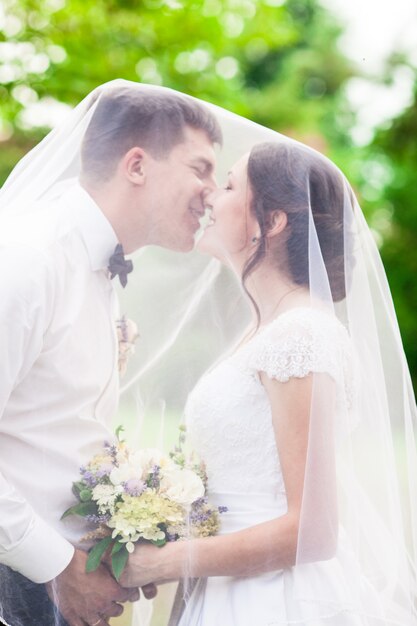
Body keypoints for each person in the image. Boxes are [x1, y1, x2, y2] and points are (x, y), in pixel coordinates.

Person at [117, 139, 417, 626]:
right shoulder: (268, 330)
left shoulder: (303, 334)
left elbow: (312, 531)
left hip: (275, 602)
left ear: (271, 221)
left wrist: (162, 562)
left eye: (230, 185)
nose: (212, 197)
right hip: (229, 588)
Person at [0, 81, 221, 626]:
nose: (213, 193)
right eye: (201, 169)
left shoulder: (101, 274)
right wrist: (58, 567)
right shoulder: (29, 260)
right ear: (138, 165)